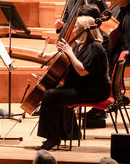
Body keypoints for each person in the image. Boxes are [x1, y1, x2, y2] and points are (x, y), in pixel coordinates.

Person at [36, 15, 111, 150]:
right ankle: (61, 134)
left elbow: (82, 71)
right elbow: (66, 58)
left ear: (84, 30)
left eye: (76, 27)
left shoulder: (95, 47)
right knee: (51, 91)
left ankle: (53, 138)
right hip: (82, 87)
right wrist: (47, 56)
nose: (74, 30)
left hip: (94, 91)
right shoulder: (80, 45)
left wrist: (69, 52)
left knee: (50, 95)